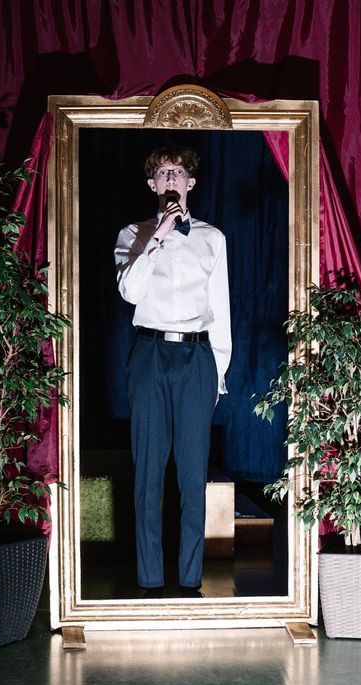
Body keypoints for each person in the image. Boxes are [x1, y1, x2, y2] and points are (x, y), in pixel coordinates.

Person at [115, 145, 231, 597]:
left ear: (190, 183)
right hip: (149, 355)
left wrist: (217, 374)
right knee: (148, 469)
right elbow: (130, 292)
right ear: (152, 184)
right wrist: (159, 235)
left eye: (178, 172)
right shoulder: (132, 234)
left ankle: (189, 581)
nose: (170, 179)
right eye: (163, 172)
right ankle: (149, 581)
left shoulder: (213, 238)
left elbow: (220, 311)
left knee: (192, 472)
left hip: (197, 358)